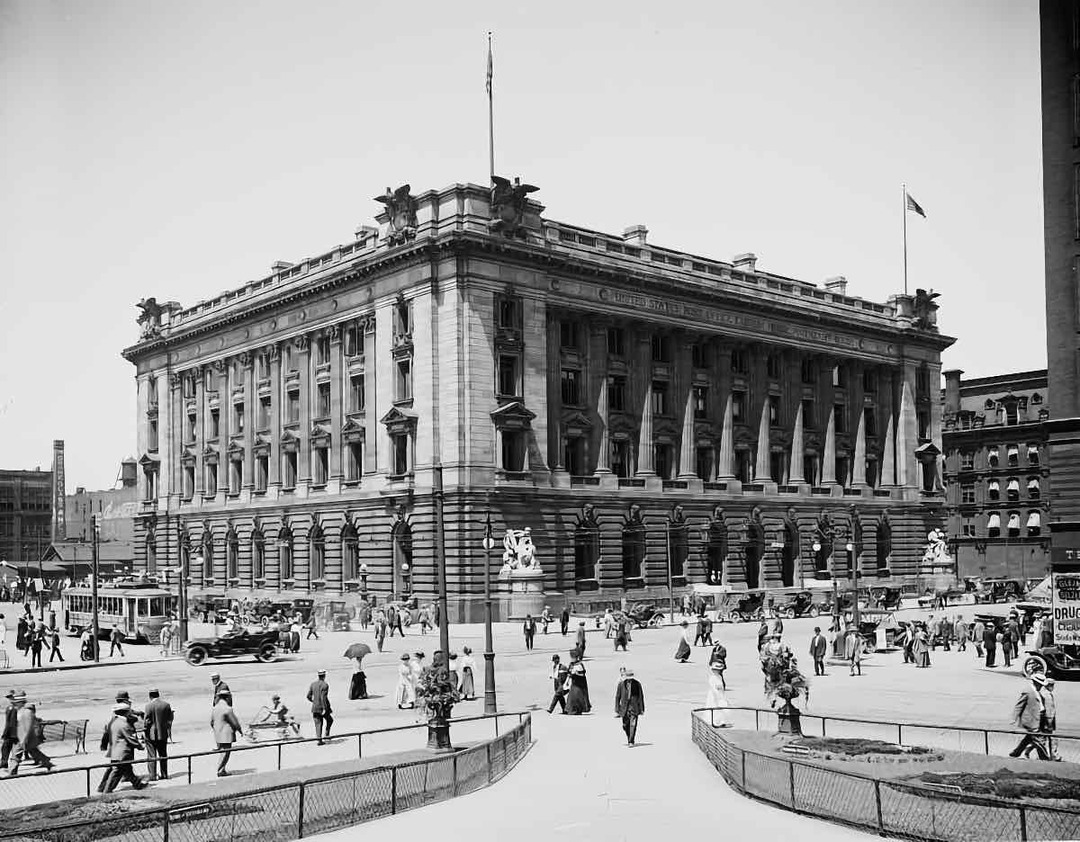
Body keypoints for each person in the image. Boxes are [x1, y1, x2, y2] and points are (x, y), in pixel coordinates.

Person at [102, 706, 145, 792]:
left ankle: (138, 785)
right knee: (117, 771)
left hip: (115, 750)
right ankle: (106, 791)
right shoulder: (124, 724)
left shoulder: (113, 722)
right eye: (129, 711)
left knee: (128, 770)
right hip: (122, 752)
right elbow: (130, 738)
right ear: (125, 712)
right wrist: (140, 746)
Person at [1010, 673, 1052, 760]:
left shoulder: (1038, 691)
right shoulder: (1028, 691)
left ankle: (1016, 752)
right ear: (1035, 682)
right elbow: (1019, 705)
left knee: (1029, 738)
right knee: (1039, 739)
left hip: (1039, 718)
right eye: (1040, 684)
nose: (1041, 686)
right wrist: (1014, 717)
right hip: (1031, 720)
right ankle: (1044, 758)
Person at [9, 700, 53, 775]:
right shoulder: (27, 713)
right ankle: (46, 761)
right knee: (33, 751)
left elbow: (27, 727)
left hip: (24, 737)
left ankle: (13, 771)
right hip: (26, 737)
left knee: (17, 754)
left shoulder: (27, 714)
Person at [143, 688, 173, 781]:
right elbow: (170, 719)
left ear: (150, 696)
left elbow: (147, 721)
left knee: (152, 755)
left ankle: (152, 776)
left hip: (151, 734)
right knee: (163, 755)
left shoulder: (148, 706)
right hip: (163, 733)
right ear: (158, 694)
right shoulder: (166, 705)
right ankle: (164, 774)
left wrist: (144, 730)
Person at [211, 693, 242, 777]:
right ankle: (220, 770)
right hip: (226, 733)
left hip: (217, 733)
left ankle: (222, 769)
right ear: (227, 698)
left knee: (222, 752)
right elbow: (235, 722)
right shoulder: (228, 709)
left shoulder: (215, 708)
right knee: (226, 752)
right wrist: (240, 730)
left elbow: (211, 722)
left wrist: (216, 730)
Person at [615, 668, 645, 747]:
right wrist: (617, 708)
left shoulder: (637, 684)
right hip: (624, 708)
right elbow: (617, 697)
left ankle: (631, 740)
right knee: (625, 725)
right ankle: (629, 737)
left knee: (633, 724)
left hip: (634, 707)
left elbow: (640, 697)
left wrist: (641, 708)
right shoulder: (621, 684)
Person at [307, 669, 333, 745]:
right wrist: (325, 708)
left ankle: (319, 740)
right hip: (322, 707)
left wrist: (313, 701)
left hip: (315, 707)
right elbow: (323, 698)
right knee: (330, 720)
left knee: (318, 723)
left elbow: (308, 696)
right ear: (324, 676)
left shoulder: (313, 684)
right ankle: (327, 734)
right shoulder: (325, 685)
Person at [1, 690, 20, 770]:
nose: (10, 699)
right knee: (5, 748)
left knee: (12, 749)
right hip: (11, 732)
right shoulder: (10, 707)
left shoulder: (15, 708)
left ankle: (7, 764)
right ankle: (4, 763)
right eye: (8, 697)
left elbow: (11, 722)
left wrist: (5, 732)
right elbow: (8, 722)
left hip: (14, 732)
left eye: (11, 697)